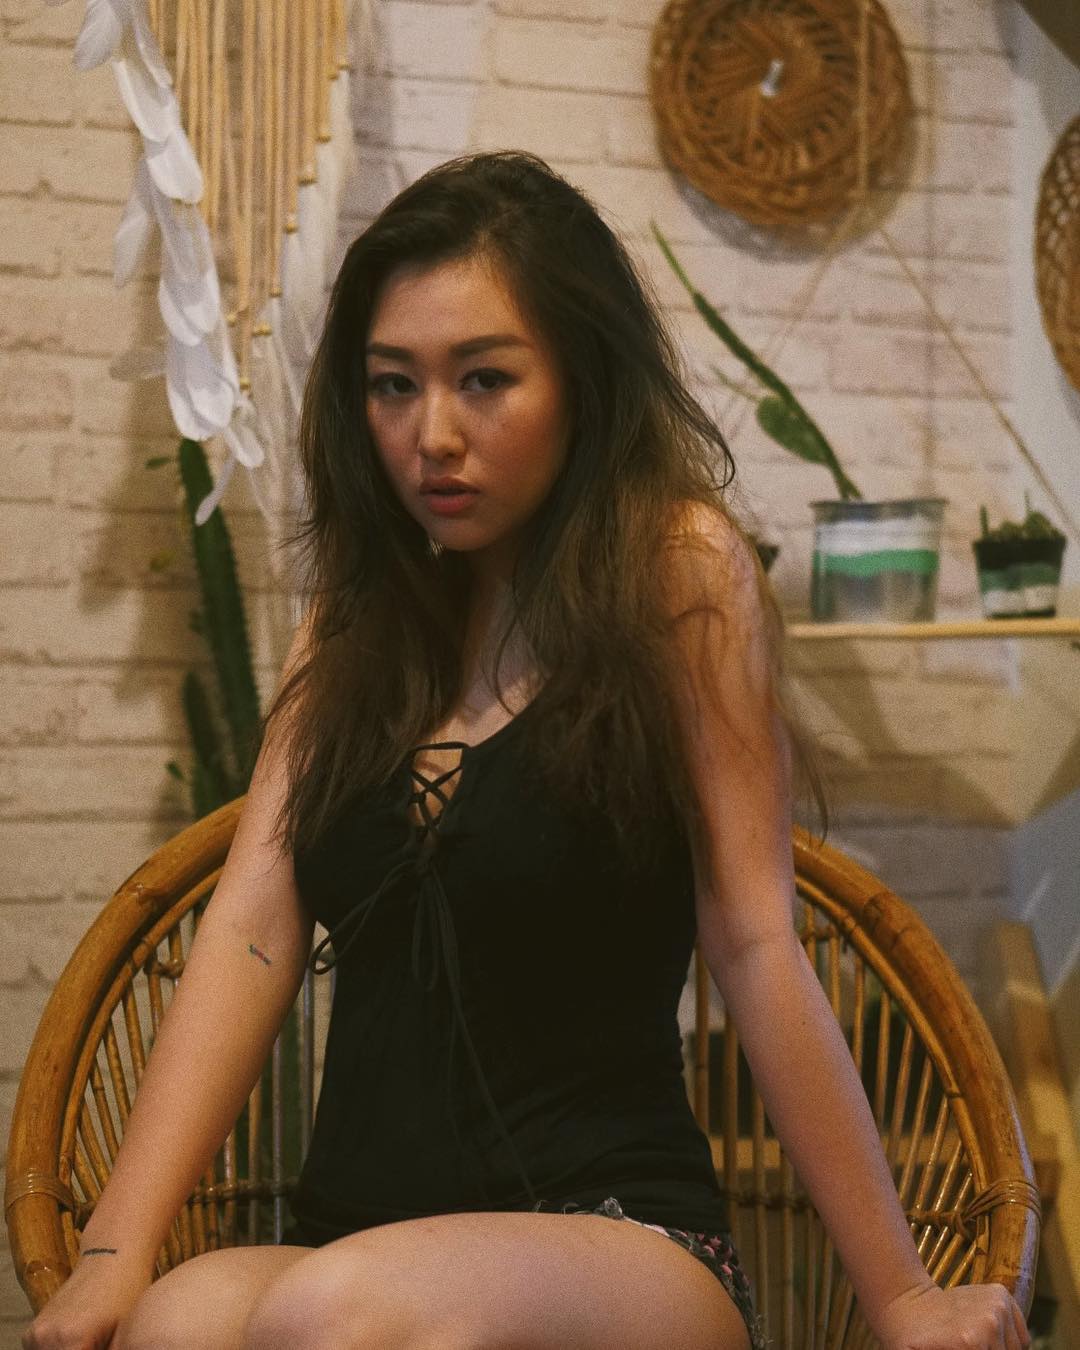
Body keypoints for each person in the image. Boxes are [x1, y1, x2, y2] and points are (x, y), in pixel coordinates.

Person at [24, 151, 1030, 1350]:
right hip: (355, 1240)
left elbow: (757, 937)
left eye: (485, 380)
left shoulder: (677, 572)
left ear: (581, 379)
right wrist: (113, 1256)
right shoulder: (352, 616)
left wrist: (901, 1294)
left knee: (330, 1311)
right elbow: (252, 928)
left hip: (621, 1239)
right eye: (392, 385)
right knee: (179, 1323)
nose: (432, 435)